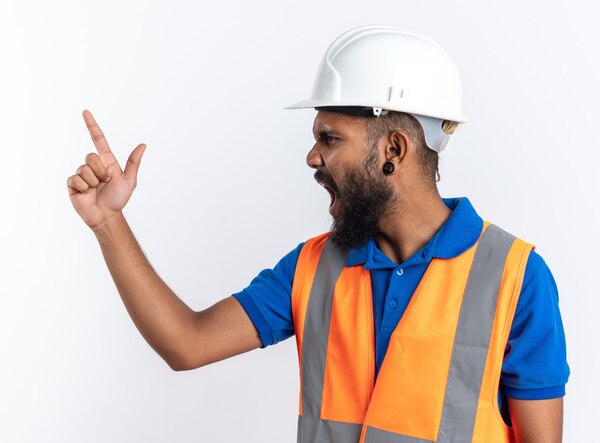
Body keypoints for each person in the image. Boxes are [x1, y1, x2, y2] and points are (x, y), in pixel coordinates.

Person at [67, 25, 569, 442]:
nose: (312, 158)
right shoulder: (314, 267)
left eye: (330, 139)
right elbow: (186, 343)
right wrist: (108, 221)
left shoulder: (515, 278)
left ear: (393, 149)